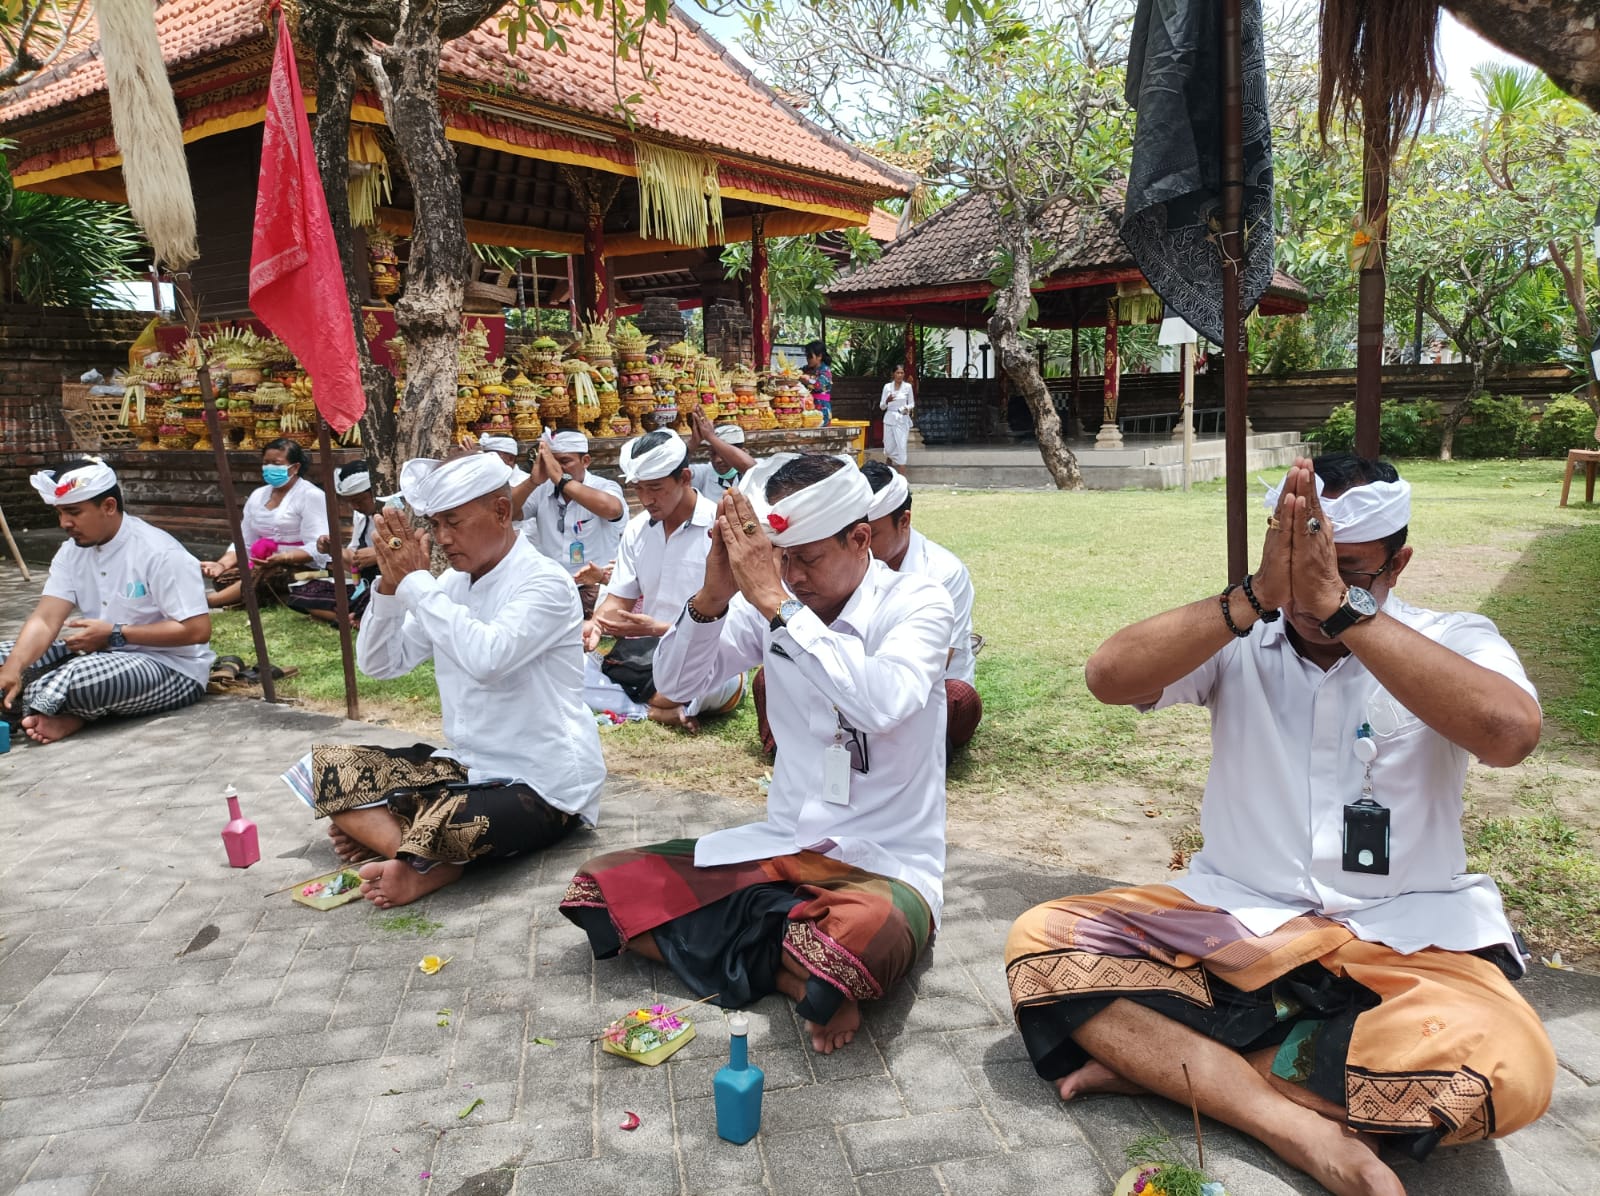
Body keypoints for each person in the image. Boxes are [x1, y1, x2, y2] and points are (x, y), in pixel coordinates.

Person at [1003, 455, 1554, 1196]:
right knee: (1043, 942)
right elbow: (1109, 676)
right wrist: (1258, 593)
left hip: (1407, 937)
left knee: (1509, 1067)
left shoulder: (1451, 638)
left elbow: (1510, 735)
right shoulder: (1241, 634)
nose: (1313, 596)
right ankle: (1294, 1127)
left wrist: (1346, 612)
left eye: (1348, 570)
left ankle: (1179, 1068)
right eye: (1300, 570)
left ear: (1399, 564)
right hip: (1237, 920)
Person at [561, 453, 954, 1054]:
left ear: (860, 539)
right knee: (602, 888)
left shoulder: (919, 602)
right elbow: (677, 685)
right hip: (782, 846)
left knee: (864, 935)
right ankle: (796, 973)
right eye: (781, 558)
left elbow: (881, 703)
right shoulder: (768, 602)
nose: (792, 575)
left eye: (808, 558)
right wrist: (712, 597)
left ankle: (796, 956)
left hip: (883, 863)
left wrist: (777, 603)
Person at [279, 451, 605, 908]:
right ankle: (422, 855)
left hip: (542, 783)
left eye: (453, 522)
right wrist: (389, 587)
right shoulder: (450, 585)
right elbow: (380, 664)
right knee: (324, 771)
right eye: (434, 525)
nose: (443, 538)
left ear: (501, 511)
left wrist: (416, 583)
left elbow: (486, 658)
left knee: (454, 821)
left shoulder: (545, 582)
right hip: (465, 767)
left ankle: (412, 853)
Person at [1, 458, 212, 745]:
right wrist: (13, 667)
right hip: (98, 654)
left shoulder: (160, 552)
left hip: (171, 666)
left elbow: (197, 630)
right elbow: (46, 619)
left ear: (109, 506)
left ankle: (43, 706)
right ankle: (58, 709)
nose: (64, 523)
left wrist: (115, 633)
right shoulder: (71, 551)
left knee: (76, 678)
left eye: (74, 512)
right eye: (60, 513)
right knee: (7, 657)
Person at [583, 429, 744, 730]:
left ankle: (647, 704)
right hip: (649, 656)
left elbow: (738, 627)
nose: (646, 499)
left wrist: (662, 629)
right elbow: (619, 598)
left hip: (710, 657)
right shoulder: (637, 529)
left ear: (685, 478)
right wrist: (596, 625)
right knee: (570, 667)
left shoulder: (721, 528)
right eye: (639, 489)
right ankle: (655, 710)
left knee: (698, 683)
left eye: (655, 488)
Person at [861, 461, 981, 752]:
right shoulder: (845, 562)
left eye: (871, 535)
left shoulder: (943, 572)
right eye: (852, 534)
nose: (859, 545)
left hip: (921, 690)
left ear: (904, 521)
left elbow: (932, 666)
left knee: (958, 698)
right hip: (856, 683)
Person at [198, 438, 329, 608]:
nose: (269, 468)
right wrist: (221, 564)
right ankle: (275, 596)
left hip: (303, 567)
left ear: (295, 467)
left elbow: (318, 547)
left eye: (276, 463)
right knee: (223, 579)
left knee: (271, 574)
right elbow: (245, 542)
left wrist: (283, 557)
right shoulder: (258, 495)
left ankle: (209, 602)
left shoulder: (311, 495)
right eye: (266, 463)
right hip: (261, 564)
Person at [516, 431, 626, 617]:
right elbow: (508, 512)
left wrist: (562, 480)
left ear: (586, 461)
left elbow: (612, 509)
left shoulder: (604, 486)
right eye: (552, 462)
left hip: (595, 589)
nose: (557, 468)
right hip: (553, 589)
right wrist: (532, 481)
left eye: (565, 461)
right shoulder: (542, 490)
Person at [283, 460, 380, 626]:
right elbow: (353, 564)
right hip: (364, 585)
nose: (355, 506)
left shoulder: (397, 510)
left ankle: (357, 618)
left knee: (378, 599)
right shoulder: (360, 517)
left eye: (360, 500)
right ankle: (355, 618)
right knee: (303, 594)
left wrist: (379, 554)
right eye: (350, 502)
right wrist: (333, 550)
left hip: (387, 586)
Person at [687, 410, 757, 504]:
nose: (717, 460)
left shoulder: (757, 472)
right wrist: (693, 442)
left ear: (743, 452)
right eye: (713, 454)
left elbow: (751, 468)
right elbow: (675, 471)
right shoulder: (704, 474)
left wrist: (710, 437)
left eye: (723, 454)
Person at [880, 365, 914, 473]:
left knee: (901, 446)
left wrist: (906, 408)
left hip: (902, 419)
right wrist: (887, 401)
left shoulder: (908, 387)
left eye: (902, 373)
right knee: (888, 448)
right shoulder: (887, 387)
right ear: (893, 374)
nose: (899, 375)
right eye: (897, 373)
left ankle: (902, 477)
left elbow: (912, 403)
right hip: (889, 418)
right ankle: (889, 469)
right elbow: (882, 406)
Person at [801, 340, 834, 425]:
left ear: (819, 356)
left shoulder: (825, 371)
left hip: (822, 408)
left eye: (810, 356)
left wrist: (808, 379)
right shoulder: (806, 369)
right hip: (807, 408)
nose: (807, 359)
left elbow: (818, 385)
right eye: (806, 356)